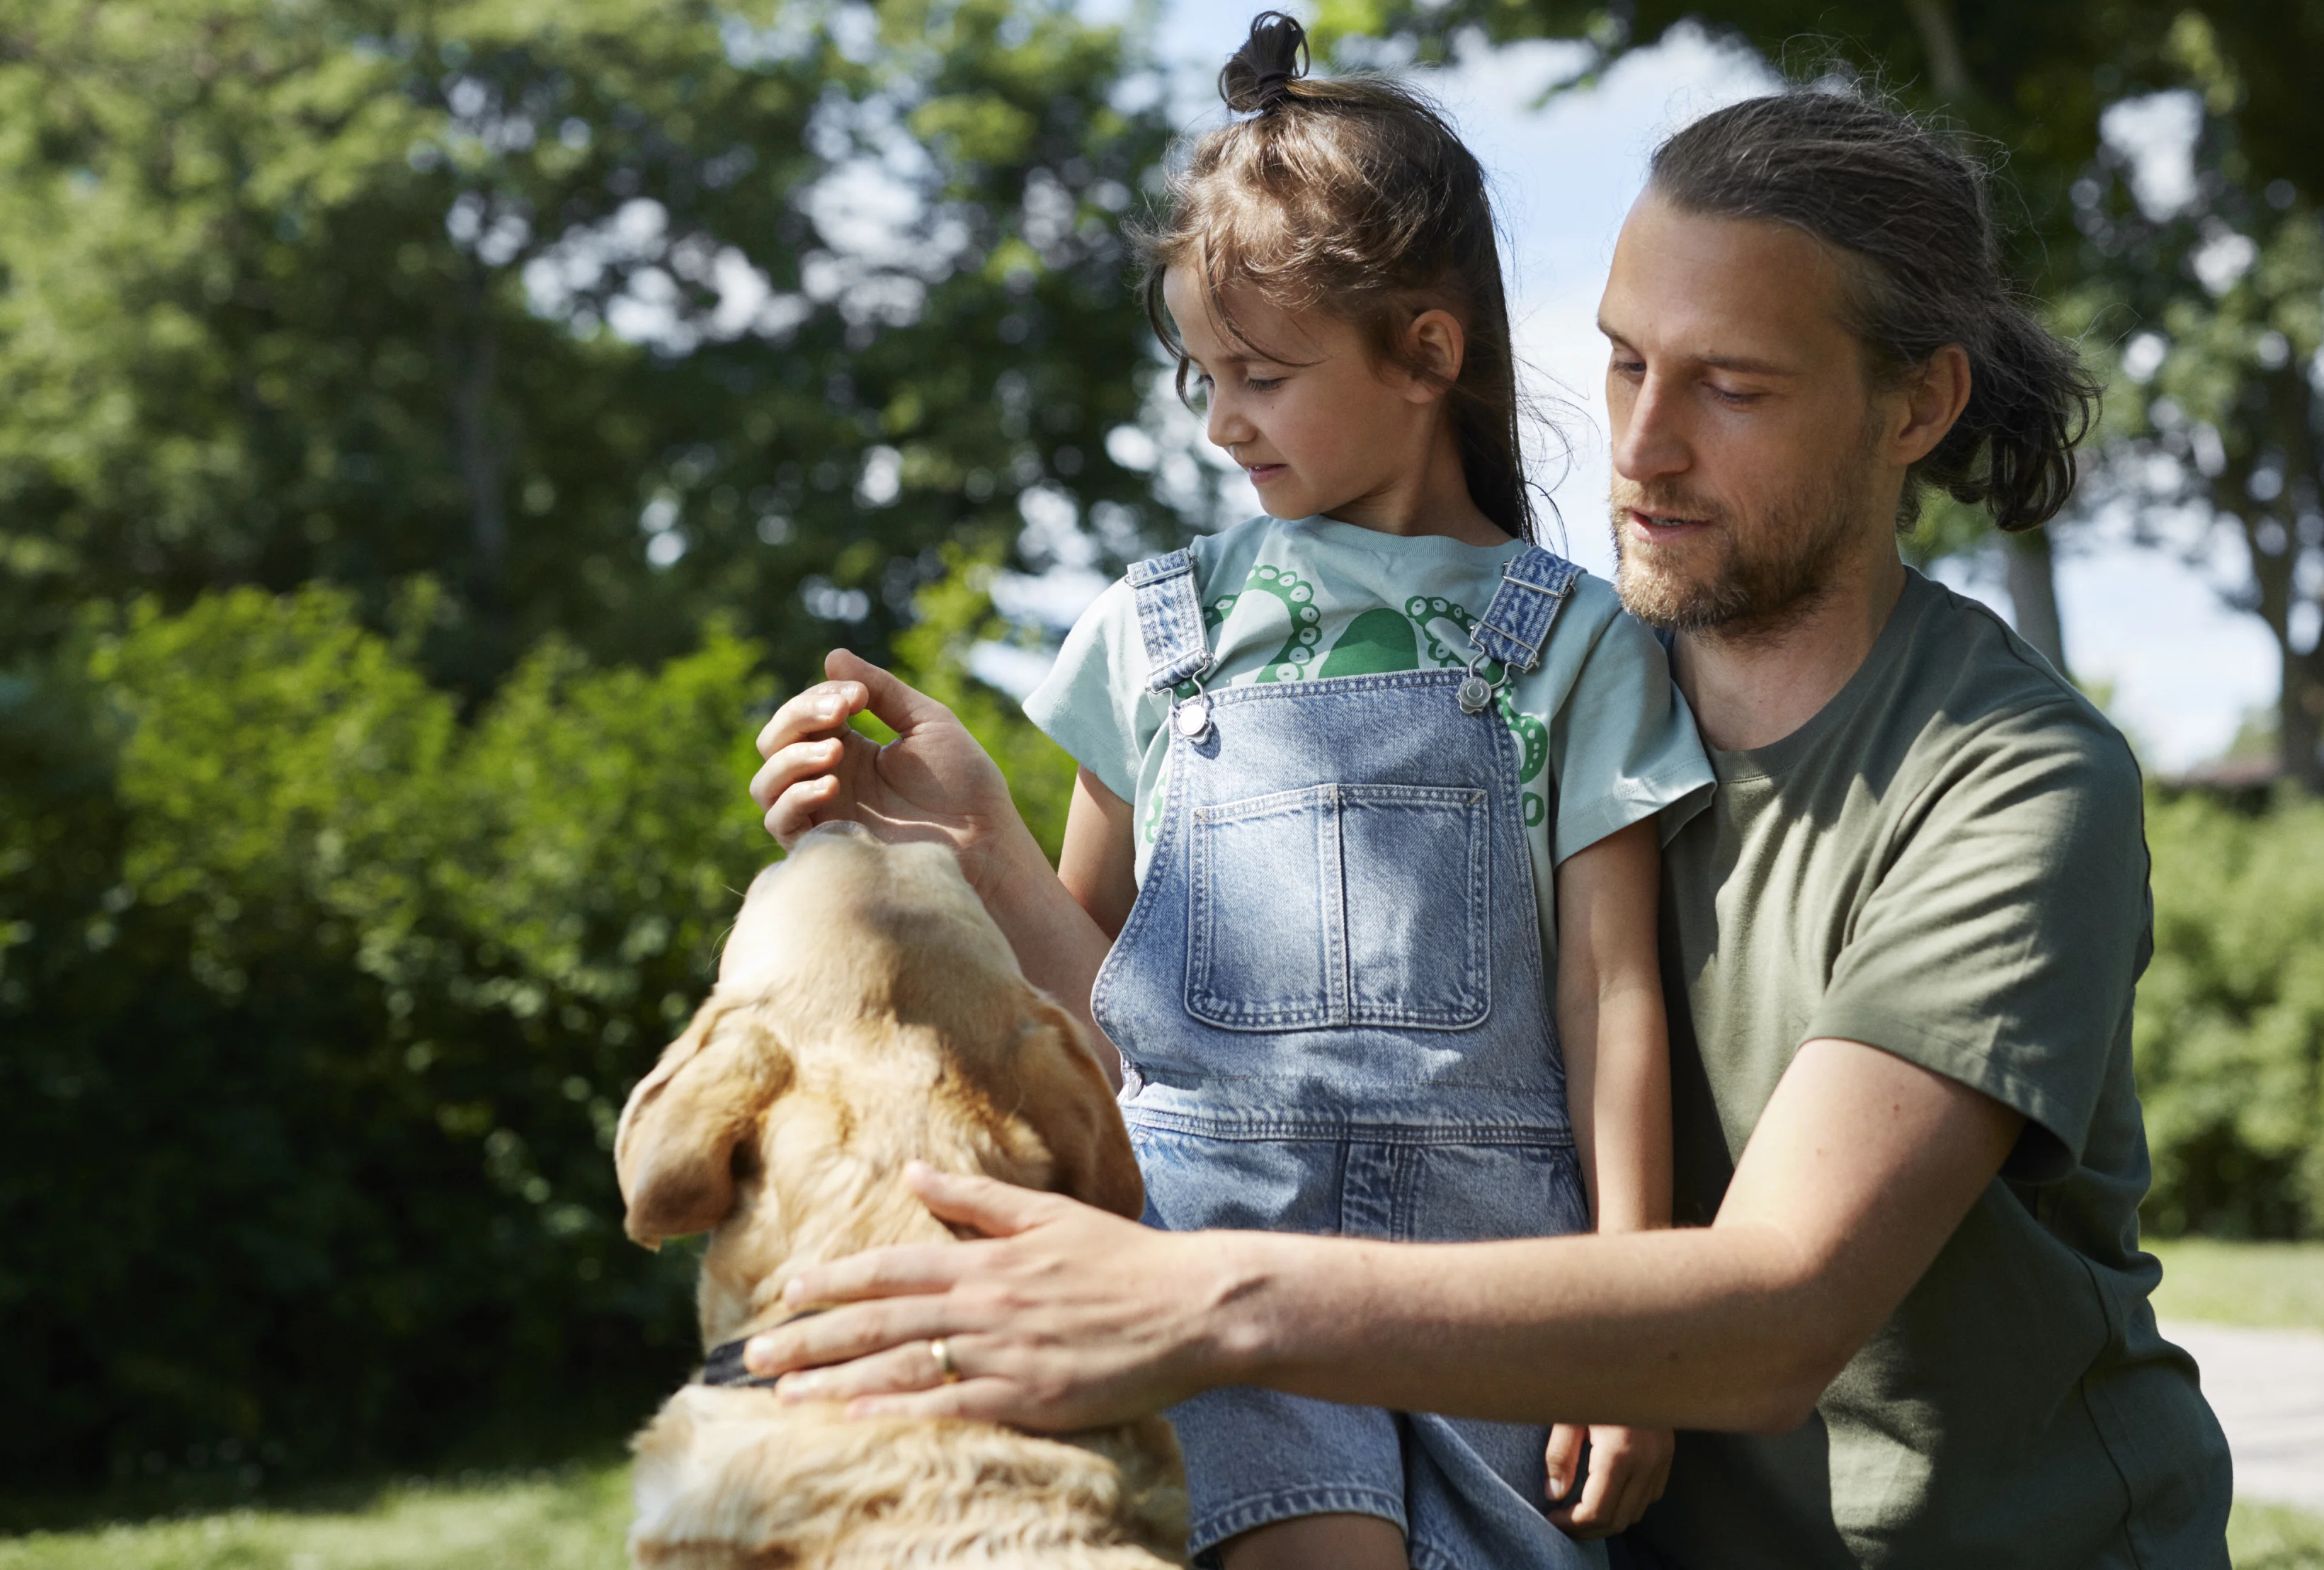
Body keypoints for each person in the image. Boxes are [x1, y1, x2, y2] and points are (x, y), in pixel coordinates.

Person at [744, 79, 2237, 1567]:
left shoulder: (2008, 782)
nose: (1642, 448)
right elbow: (1158, 1043)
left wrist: (1194, 1301)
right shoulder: (1531, 678)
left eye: (1732, 384)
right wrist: (968, 849)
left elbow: (1777, 1312)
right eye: (1625, 361)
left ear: (1917, 403)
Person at [772, 11, 1714, 1570]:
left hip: (1502, 1287)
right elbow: (1102, 1020)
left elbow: (1613, 996)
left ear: (1428, 350)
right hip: (1200, 1245)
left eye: (1263, 374)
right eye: (1203, 374)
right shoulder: (1154, 639)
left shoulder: (1575, 638)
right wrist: (968, 834)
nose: (1221, 420)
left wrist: (1636, 1314)